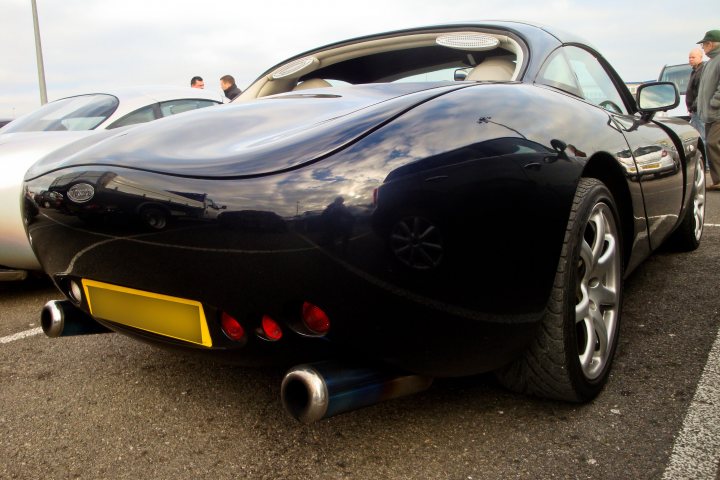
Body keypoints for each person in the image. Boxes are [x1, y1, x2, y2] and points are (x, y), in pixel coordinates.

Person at [696, 30, 720, 190]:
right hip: (708, 114)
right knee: (711, 145)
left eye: (704, 44)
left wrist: (714, 102)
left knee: (712, 143)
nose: (703, 48)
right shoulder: (709, 63)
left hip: (717, 113)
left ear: (710, 44)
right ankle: (717, 180)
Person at [686, 48, 706, 142]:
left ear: (700, 57)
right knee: (696, 139)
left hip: (699, 111)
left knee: (702, 138)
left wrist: (693, 107)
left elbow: (702, 92)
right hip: (695, 111)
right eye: (689, 57)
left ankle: (706, 157)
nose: (690, 59)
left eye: (693, 57)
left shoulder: (702, 71)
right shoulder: (695, 71)